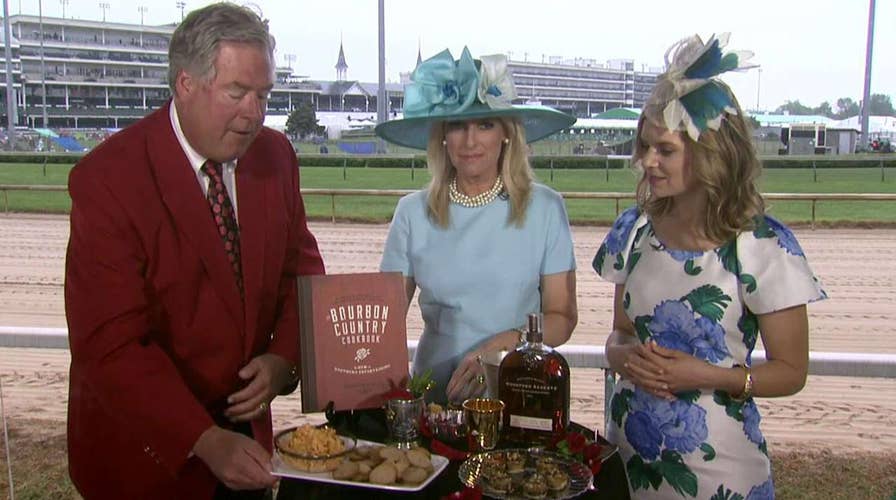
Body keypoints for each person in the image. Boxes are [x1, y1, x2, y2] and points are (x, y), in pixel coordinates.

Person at [64, 3, 325, 498]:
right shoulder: (108, 180)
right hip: (145, 458)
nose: (255, 112)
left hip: (246, 448)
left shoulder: (275, 156)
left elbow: (303, 274)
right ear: (185, 85)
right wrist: (201, 438)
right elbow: (111, 346)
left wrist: (282, 360)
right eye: (237, 92)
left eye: (264, 93)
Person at [593, 34, 827, 499]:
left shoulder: (761, 246)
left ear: (710, 153)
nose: (647, 162)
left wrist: (707, 377)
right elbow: (620, 333)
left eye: (664, 150)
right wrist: (624, 359)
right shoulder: (633, 231)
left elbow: (791, 371)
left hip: (723, 476)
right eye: (643, 147)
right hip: (628, 464)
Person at [375, 47, 578, 405]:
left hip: (518, 392)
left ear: (506, 134)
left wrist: (504, 345)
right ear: (441, 135)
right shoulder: (410, 213)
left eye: (484, 125)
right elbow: (382, 323)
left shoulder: (546, 208)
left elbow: (562, 318)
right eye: (457, 126)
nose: (470, 141)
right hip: (435, 399)